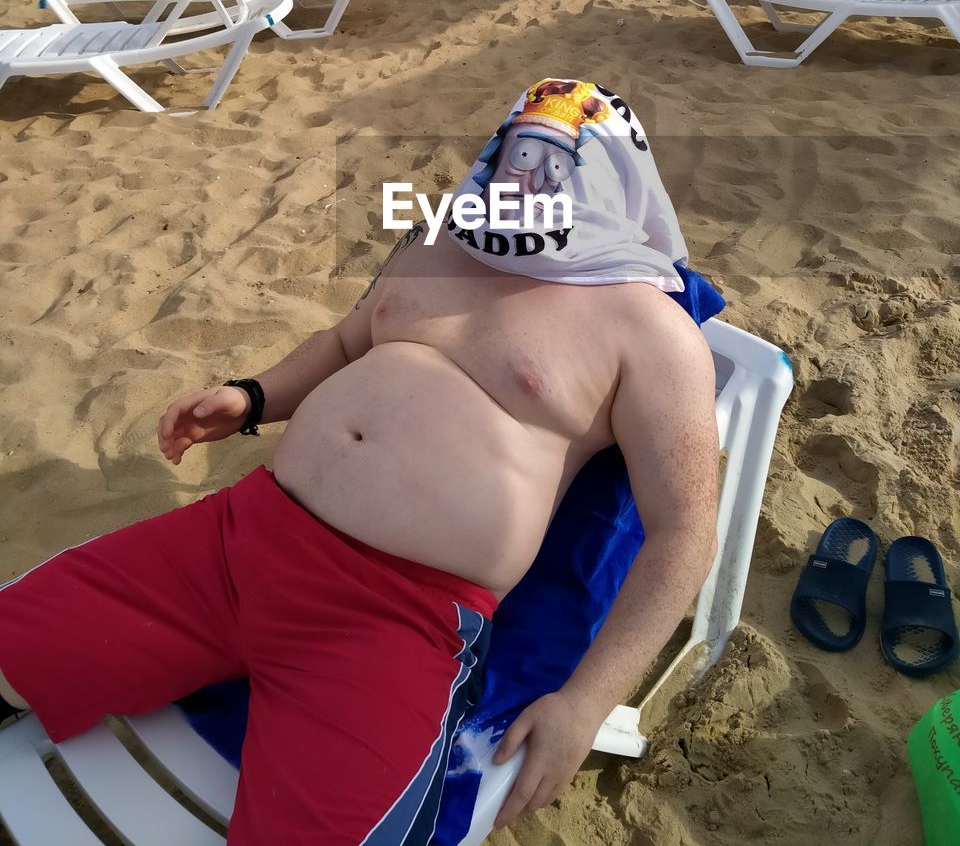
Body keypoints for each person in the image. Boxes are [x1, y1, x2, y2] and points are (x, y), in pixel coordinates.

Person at [0, 78, 719, 846]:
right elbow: (346, 342)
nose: (527, 178)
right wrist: (253, 397)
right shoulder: (440, 240)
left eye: (554, 161)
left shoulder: (648, 327)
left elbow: (684, 531)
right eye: (518, 152)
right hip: (234, 540)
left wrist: (584, 703)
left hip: (392, 619)